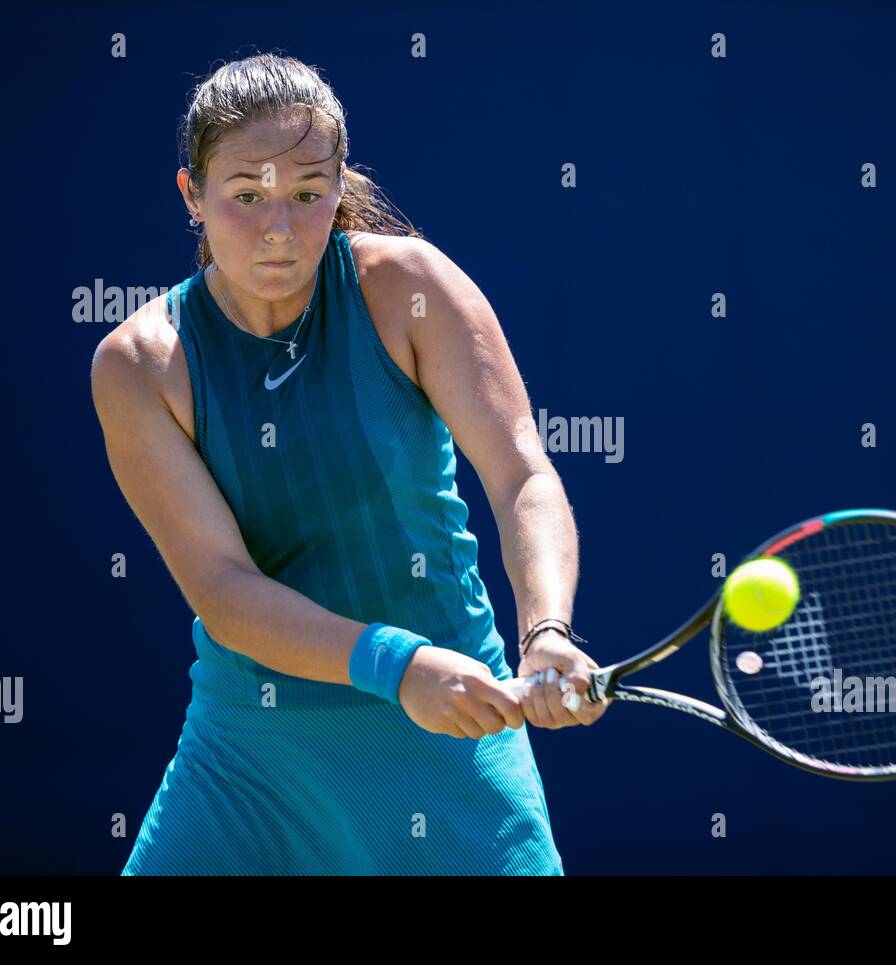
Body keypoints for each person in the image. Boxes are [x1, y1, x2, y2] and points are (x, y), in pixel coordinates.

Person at [90, 53, 608, 875]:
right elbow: (222, 589)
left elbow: (521, 476)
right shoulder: (140, 365)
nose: (279, 230)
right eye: (246, 196)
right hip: (252, 755)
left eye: (306, 195)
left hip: (449, 730)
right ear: (192, 194)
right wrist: (396, 663)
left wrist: (545, 629)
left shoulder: (408, 286)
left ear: (339, 184)